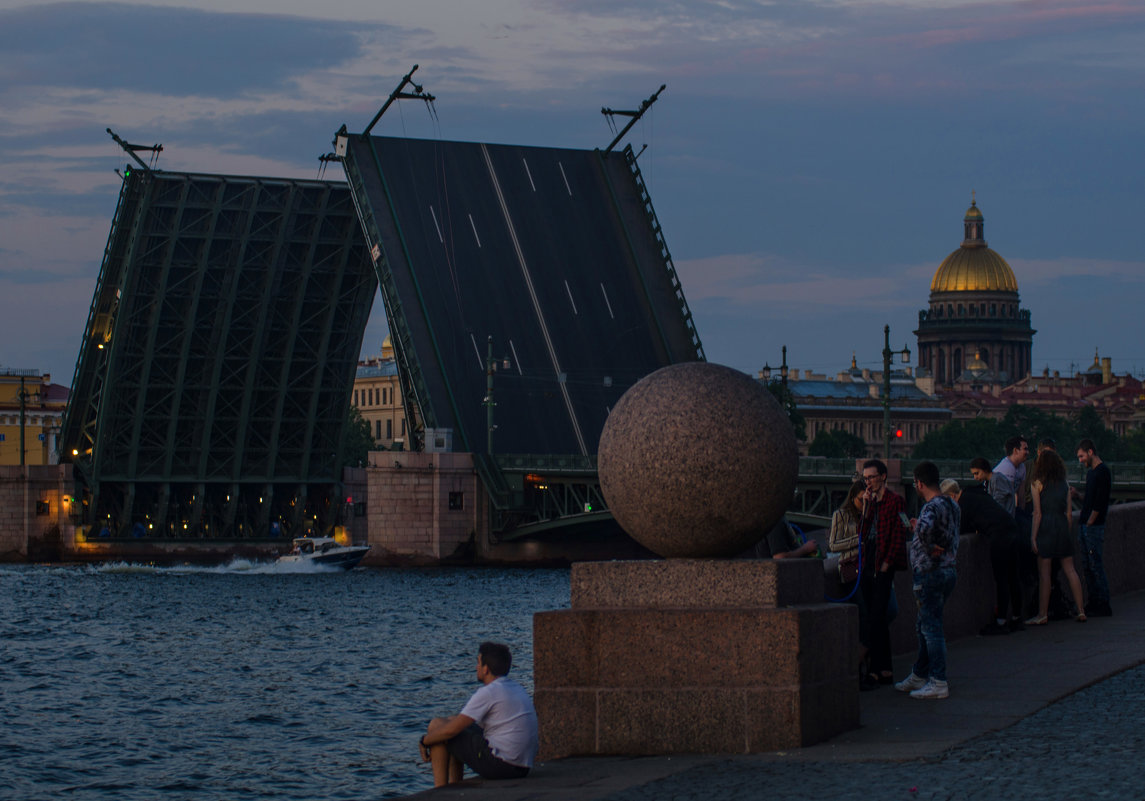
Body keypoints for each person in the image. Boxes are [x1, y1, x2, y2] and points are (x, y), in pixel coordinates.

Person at [419, 642, 538, 788]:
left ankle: (439, 791)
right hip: (522, 767)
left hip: (502, 766)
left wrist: (424, 741)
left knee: (437, 726)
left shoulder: (489, 692)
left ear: (486, 669)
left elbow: (451, 730)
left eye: (478, 662)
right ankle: (454, 786)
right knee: (451, 721)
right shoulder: (515, 688)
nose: (476, 667)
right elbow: (458, 724)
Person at [895, 462, 960, 700]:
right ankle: (919, 674)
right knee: (924, 625)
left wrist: (927, 542)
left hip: (930, 573)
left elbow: (924, 533)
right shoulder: (952, 504)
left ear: (920, 483)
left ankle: (938, 681)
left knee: (931, 628)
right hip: (949, 571)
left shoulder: (930, 508)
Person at [942, 478, 1024, 635]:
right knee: (1013, 576)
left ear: (952, 496)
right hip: (1012, 528)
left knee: (1001, 578)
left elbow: (961, 530)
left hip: (999, 536)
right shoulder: (977, 493)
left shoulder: (963, 505)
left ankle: (1001, 622)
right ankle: (1016, 617)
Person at [858, 459, 909, 686]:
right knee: (876, 619)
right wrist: (866, 508)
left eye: (871, 477)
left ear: (883, 477)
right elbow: (862, 534)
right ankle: (884, 669)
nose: (868, 482)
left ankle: (869, 667)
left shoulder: (895, 501)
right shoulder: (871, 503)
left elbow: (900, 534)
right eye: (865, 478)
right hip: (868, 563)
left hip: (882, 566)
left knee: (875, 617)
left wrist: (887, 564)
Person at [1025, 450, 1087, 625]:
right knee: (1070, 570)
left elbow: (1037, 513)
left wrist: (1033, 537)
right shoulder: (1065, 484)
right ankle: (1081, 610)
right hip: (1061, 527)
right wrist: (1065, 531)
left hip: (1045, 528)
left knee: (1044, 574)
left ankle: (1042, 614)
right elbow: (1069, 513)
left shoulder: (1037, 483)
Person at [829, 480, 875, 689]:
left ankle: (864, 671)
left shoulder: (870, 514)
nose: (861, 504)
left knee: (872, 619)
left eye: (864, 500)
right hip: (850, 572)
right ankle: (856, 670)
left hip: (869, 571)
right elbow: (832, 544)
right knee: (863, 620)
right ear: (853, 497)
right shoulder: (840, 515)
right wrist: (856, 541)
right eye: (859, 500)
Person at [1072, 439, 1113, 617]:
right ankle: (1094, 601)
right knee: (1087, 566)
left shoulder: (1102, 472)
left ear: (1090, 452)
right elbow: (1090, 499)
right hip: (1086, 524)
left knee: (1095, 565)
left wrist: (1090, 522)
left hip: (1093, 526)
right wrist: (1077, 495)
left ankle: (1103, 603)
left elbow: (1101, 501)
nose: (1080, 460)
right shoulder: (1092, 473)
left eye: (1081, 456)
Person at [990, 436, 1029, 516]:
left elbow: (1021, 495)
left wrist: (1022, 513)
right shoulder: (1007, 467)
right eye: (1025, 449)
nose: (1028, 452)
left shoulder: (1022, 467)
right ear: (1015, 450)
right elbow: (1009, 496)